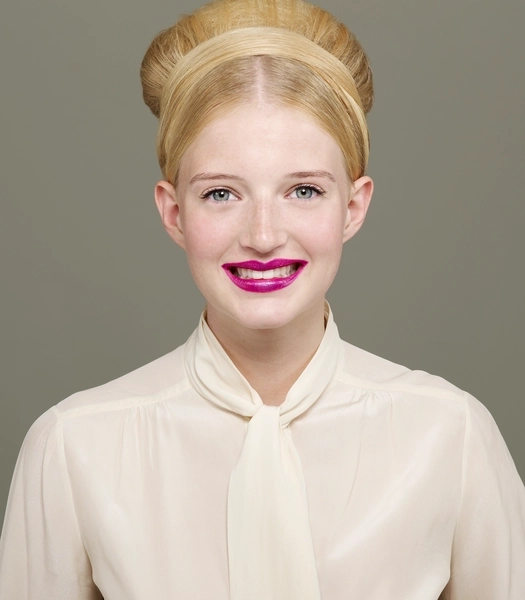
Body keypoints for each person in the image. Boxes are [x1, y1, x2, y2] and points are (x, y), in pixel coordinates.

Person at [1, 0, 524, 598]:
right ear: (174, 212)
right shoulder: (73, 449)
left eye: (303, 190)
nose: (264, 236)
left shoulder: (451, 437)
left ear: (353, 207)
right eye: (222, 194)